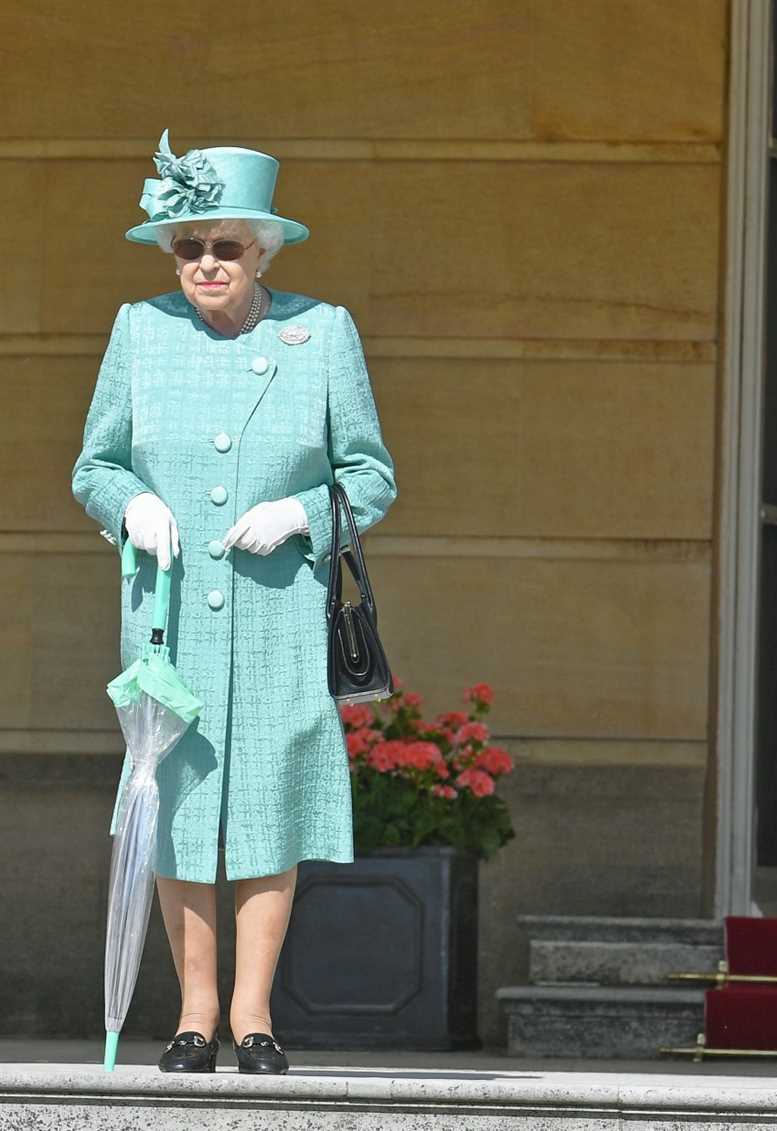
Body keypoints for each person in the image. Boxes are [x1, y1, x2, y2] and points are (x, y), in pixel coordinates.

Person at [71, 131, 396, 1074]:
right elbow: (95, 464)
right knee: (173, 803)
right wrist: (128, 502)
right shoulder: (140, 330)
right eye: (188, 247)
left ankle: (253, 1015)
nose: (206, 264)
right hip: (167, 613)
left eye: (227, 248)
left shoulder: (323, 330)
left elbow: (369, 477)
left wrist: (299, 514)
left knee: (268, 803)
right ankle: (193, 1013)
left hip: (277, 610)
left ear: (265, 251)